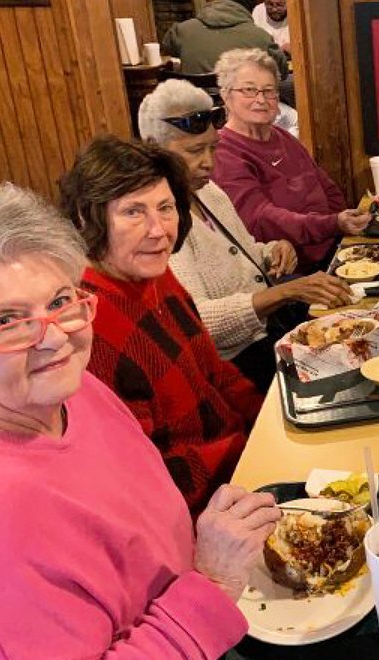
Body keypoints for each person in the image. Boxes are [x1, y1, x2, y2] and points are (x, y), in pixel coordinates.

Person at [0, 180, 280, 660]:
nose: (55, 337)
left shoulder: (66, 393)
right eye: (7, 321)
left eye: (60, 301)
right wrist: (211, 586)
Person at [60, 135, 264, 514]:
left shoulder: (156, 276)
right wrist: (248, 456)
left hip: (244, 460)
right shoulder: (86, 327)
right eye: (134, 212)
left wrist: (270, 424)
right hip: (204, 507)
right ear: (88, 218)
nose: (158, 230)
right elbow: (141, 475)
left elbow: (216, 372)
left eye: (165, 207)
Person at [138, 79, 354, 390]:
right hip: (232, 368)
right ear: (154, 151)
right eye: (194, 151)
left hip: (269, 337)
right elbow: (198, 320)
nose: (208, 163)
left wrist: (274, 250)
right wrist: (284, 292)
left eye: (213, 148)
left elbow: (247, 251)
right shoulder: (159, 223)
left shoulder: (209, 193)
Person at [211, 48, 369, 270]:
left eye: (269, 91)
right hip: (292, 269)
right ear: (225, 96)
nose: (261, 99)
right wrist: (333, 224)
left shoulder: (283, 136)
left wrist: (342, 233)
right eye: (249, 90)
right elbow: (260, 221)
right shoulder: (224, 152)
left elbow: (328, 190)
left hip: (336, 250)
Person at [161, 0, 287, 78]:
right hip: (245, 113)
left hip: (196, 110)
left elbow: (164, 49)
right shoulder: (261, 36)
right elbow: (282, 71)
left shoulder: (181, 30)